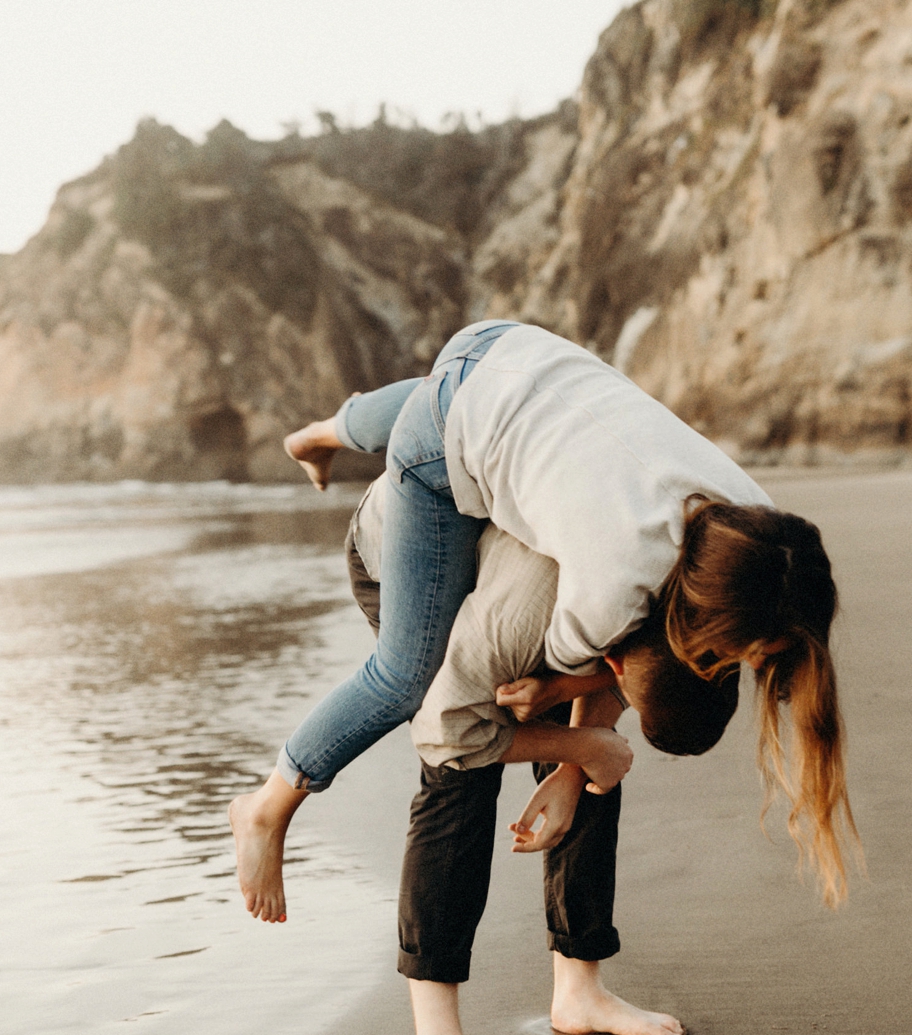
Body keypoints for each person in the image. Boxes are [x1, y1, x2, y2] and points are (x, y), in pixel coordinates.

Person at [230, 319, 854, 930]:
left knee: (442, 388)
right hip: (437, 454)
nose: (741, 665)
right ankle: (268, 805)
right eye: (740, 651)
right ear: (708, 614)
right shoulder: (614, 583)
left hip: (508, 352)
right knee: (405, 673)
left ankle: (322, 433)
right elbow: (559, 679)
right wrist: (572, 741)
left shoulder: (756, 527)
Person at [345, 478, 739, 1035]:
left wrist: (575, 758)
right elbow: (451, 732)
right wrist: (582, 742)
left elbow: (616, 668)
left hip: (532, 564)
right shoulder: (540, 611)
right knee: (459, 780)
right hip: (410, 551)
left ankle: (579, 991)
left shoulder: (661, 594)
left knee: (596, 756)